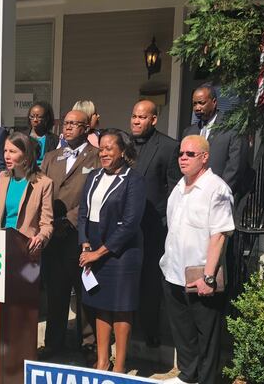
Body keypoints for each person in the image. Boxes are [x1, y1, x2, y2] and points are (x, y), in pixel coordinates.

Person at [160, 135, 235, 384]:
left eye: (190, 154)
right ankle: (187, 375)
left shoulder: (217, 188)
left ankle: (207, 380)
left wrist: (209, 276)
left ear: (204, 157)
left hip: (200, 276)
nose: (183, 158)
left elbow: (220, 236)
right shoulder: (179, 188)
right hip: (173, 273)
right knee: (183, 332)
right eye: (181, 153)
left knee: (207, 336)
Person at [78, 129, 145, 373]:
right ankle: (103, 361)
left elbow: (130, 223)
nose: (103, 153)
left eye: (109, 148)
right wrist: (85, 244)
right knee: (101, 305)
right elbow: (83, 213)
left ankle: (120, 365)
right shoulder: (94, 175)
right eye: (101, 148)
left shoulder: (133, 180)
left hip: (121, 254)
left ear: (123, 151)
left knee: (121, 308)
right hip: (93, 248)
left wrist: (99, 253)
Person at [39, 110, 100, 358]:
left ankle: (87, 344)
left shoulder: (96, 157)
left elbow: (94, 194)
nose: (69, 128)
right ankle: (54, 342)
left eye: (75, 124)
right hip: (53, 234)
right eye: (66, 123)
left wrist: (71, 219)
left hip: (80, 234)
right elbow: (41, 189)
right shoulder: (52, 157)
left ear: (87, 128)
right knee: (56, 291)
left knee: (83, 291)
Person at [129, 100, 181, 348]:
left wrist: (166, 221)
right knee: (127, 278)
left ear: (153, 119)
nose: (136, 121)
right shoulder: (124, 145)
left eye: (142, 117)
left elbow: (173, 189)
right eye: (134, 116)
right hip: (125, 225)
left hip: (153, 225)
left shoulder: (169, 147)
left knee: (150, 280)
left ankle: (150, 329)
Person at [0, 132, 54, 253]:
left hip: (25, 247)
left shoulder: (44, 183)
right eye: (5, 151)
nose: (6, 156)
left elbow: (46, 224)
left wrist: (41, 238)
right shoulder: (3, 177)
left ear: (26, 155)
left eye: (12, 151)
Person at [182, 84, 250, 198]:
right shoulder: (189, 132)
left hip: (220, 197)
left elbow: (235, 167)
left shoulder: (232, 129)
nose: (197, 108)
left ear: (214, 102)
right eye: (194, 104)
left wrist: (219, 193)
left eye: (201, 103)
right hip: (193, 196)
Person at [26, 101, 59, 166]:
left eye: (39, 117)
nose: (35, 119)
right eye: (32, 116)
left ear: (47, 118)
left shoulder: (55, 140)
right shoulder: (22, 137)